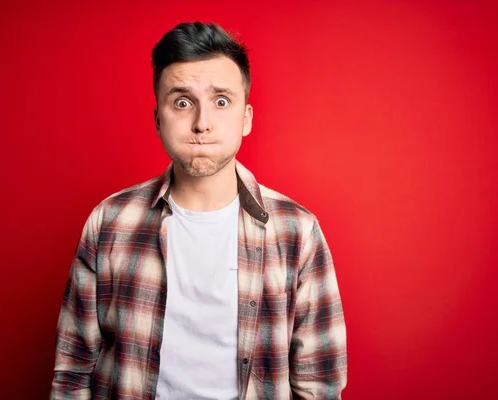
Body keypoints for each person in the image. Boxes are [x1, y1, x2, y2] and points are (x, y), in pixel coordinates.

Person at [50, 21, 347, 400]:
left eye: (221, 101)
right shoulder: (109, 223)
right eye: (182, 102)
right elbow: (73, 371)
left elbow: (319, 386)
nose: (202, 123)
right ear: (158, 119)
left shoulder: (297, 233)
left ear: (246, 118)